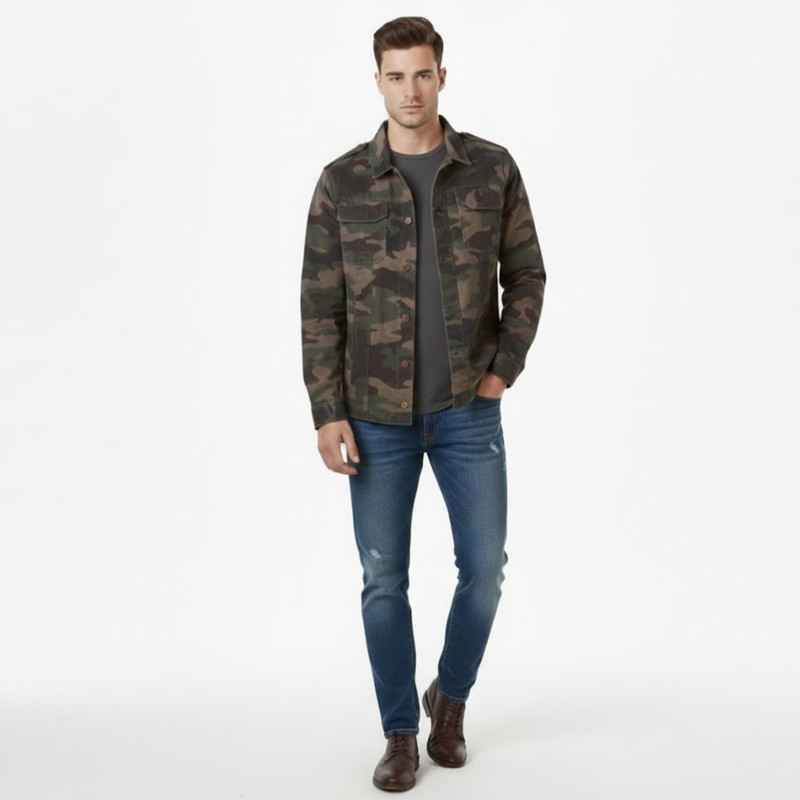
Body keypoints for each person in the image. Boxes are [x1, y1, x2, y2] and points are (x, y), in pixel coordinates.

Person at [300, 16, 545, 792]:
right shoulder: (342, 182)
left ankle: (452, 700)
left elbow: (527, 275)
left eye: (423, 73)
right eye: (396, 75)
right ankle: (400, 733)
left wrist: (501, 371)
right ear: (377, 81)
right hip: (374, 416)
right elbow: (319, 307)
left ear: (443, 76)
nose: (411, 89)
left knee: (485, 571)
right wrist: (327, 410)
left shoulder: (491, 170)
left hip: (469, 410)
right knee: (383, 579)